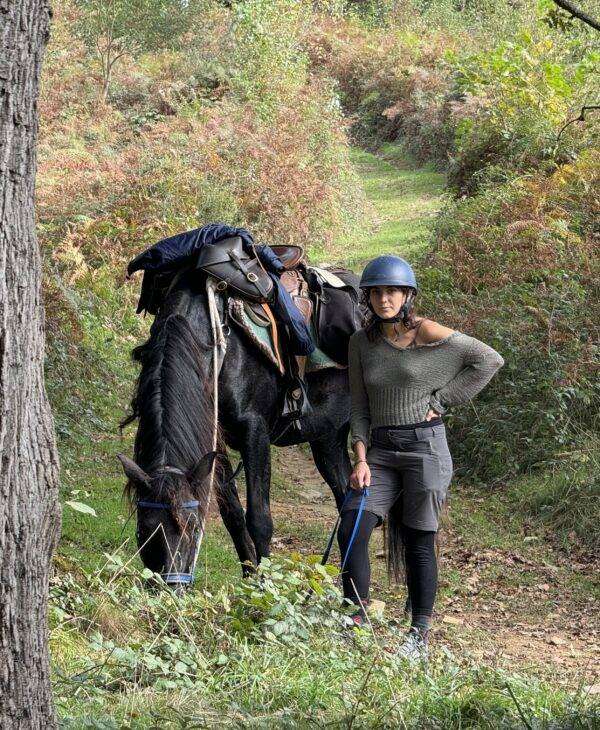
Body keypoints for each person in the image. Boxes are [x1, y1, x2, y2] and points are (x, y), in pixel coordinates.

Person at [338, 254, 504, 661]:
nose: (384, 299)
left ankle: (419, 632)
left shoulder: (429, 332)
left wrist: (443, 400)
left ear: (407, 295)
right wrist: (359, 458)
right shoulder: (361, 343)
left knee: (417, 539)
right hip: (379, 452)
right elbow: (359, 406)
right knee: (352, 525)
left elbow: (488, 360)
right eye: (376, 292)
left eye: (392, 291)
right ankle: (355, 619)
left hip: (424, 450)